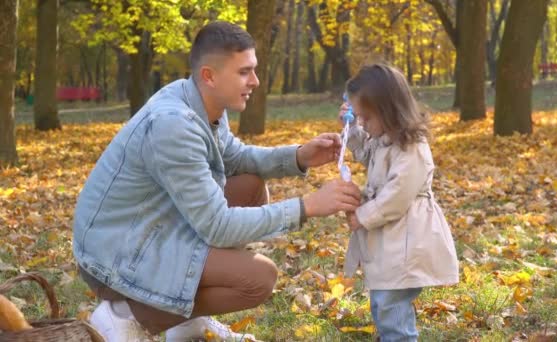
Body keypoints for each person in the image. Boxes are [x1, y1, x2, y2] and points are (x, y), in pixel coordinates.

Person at [73, 21, 361, 341]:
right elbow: (217, 226)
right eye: (244, 72)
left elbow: (235, 158)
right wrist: (307, 206)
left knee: (250, 186)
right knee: (258, 278)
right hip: (113, 257)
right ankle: (123, 317)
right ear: (209, 75)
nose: (255, 81)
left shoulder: (203, 102)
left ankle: (186, 323)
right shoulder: (174, 125)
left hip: (154, 226)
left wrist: (299, 157)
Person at [339, 63, 459, 341]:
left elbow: (398, 195)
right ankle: (390, 335)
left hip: (407, 240)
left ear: (389, 109)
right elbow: (365, 155)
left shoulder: (411, 147)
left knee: (391, 300)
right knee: (383, 296)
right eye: (361, 118)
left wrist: (364, 215)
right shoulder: (385, 139)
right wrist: (353, 129)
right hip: (392, 238)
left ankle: (398, 337)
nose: (365, 125)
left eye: (366, 118)